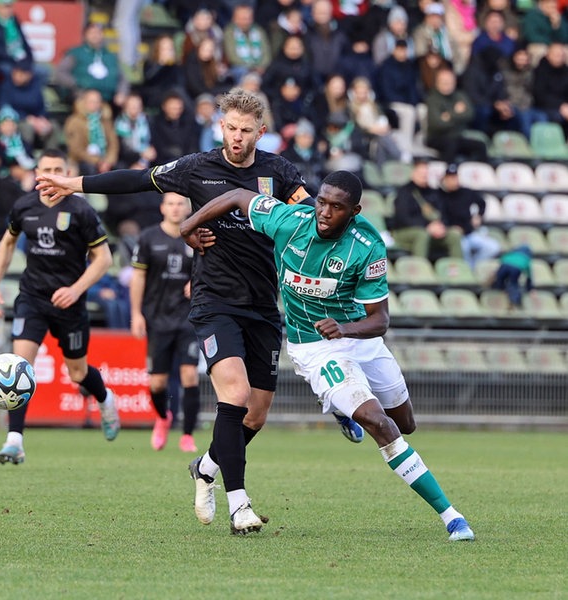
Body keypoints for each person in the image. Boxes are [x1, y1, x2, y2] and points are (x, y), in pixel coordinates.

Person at [35, 88, 362, 536]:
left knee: (257, 413)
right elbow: (135, 178)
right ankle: (239, 504)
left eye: (247, 131)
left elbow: (316, 215)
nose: (238, 138)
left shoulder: (279, 172)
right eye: (231, 128)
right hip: (213, 300)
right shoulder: (196, 168)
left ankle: (206, 466)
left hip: (264, 305)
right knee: (235, 394)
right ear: (220, 126)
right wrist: (72, 184)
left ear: (261, 132)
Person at [177, 170, 475, 542]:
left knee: (406, 423)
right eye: (322, 201)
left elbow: (380, 319)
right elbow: (237, 195)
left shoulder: (367, 245)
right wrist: (187, 227)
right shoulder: (290, 221)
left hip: (360, 339)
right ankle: (452, 517)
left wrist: (345, 329)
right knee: (379, 424)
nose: (325, 212)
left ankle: (207, 466)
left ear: (354, 211)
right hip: (314, 347)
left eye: (337, 207)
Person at [0, 149, 119, 465]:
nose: (52, 174)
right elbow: (6, 243)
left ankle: (104, 397)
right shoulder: (24, 206)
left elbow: (104, 259)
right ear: (37, 173)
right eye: (46, 169)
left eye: (59, 168)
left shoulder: (81, 210)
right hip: (32, 297)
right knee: (20, 366)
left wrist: (75, 290)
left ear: (67, 171)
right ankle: (14, 440)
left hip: (70, 304)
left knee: (78, 372)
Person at [130, 192, 200, 453]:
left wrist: (198, 280)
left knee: (189, 375)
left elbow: (210, 267)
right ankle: (162, 418)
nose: (175, 208)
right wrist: (136, 314)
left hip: (189, 318)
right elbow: (138, 278)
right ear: (162, 208)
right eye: (170, 203)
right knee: (157, 383)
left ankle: (188, 435)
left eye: (180, 203)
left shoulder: (196, 234)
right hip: (157, 318)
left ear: (187, 207)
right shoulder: (148, 238)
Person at [390, 159, 461, 260]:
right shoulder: (404, 192)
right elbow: (403, 218)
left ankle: (458, 270)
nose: (424, 176)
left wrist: (441, 226)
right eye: (421, 173)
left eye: (426, 174)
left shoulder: (432, 192)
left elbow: (443, 213)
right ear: (413, 173)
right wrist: (427, 226)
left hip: (433, 231)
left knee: (454, 235)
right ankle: (421, 269)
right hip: (404, 231)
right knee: (422, 235)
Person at [438, 163, 501, 269]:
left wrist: (478, 215)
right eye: (450, 178)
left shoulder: (466, 192)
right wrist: (449, 228)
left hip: (469, 233)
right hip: (453, 235)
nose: (454, 180)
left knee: (493, 247)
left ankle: (473, 267)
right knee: (464, 249)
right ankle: (467, 270)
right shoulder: (439, 195)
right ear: (445, 179)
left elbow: (481, 202)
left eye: (455, 177)